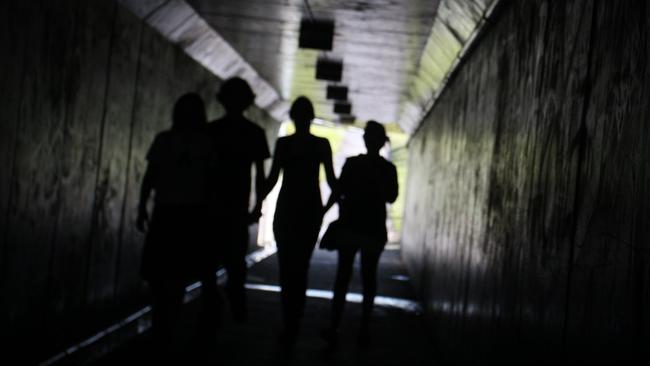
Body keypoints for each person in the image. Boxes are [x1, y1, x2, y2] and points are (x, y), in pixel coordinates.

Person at [135, 93, 218, 354]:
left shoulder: (164, 140)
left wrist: (142, 207)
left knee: (161, 273)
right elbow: (212, 183)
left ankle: (163, 325)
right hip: (191, 216)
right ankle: (168, 324)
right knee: (178, 273)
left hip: (166, 213)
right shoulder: (207, 144)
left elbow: (151, 176)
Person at [263, 96, 337, 344]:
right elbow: (332, 182)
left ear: (293, 117)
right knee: (301, 268)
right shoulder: (321, 145)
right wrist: (326, 209)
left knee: (286, 268)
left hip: (286, 209)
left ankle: (288, 322)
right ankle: (295, 321)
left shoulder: (284, 145)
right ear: (311, 117)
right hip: (310, 211)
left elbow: (273, 179)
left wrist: (253, 204)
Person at [321, 120, 398, 349]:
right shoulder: (387, 169)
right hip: (373, 229)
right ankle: (364, 328)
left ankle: (334, 325)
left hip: (350, 227)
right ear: (382, 142)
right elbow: (392, 197)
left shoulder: (352, 164)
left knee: (343, 276)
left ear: (366, 140)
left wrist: (322, 212)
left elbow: (338, 191)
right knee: (369, 278)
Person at [207, 77, 270, 323]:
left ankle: (213, 310)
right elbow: (260, 177)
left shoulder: (211, 131)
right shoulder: (255, 133)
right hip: (237, 210)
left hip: (212, 208)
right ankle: (235, 302)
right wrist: (257, 209)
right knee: (235, 264)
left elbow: (204, 171)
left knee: (209, 262)